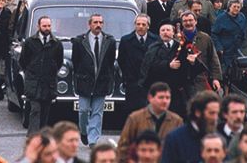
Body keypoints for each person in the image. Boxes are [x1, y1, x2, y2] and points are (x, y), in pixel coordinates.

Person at [71, 14, 116, 147]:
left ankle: (93, 139)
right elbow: (75, 61)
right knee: (83, 110)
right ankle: (84, 131)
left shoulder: (109, 41)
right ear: (89, 24)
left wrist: (108, 78)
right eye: (95, 22)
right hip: (84, 81)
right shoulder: (79, 41)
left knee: (97, 112)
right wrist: (79, 77)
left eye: (101, 22)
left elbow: (110, 61)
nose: (98, 25)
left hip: (101, 81)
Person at [19, 16, 64, 135]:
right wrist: (31, 72)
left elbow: (59, 61)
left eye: (49, 26)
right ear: (38, 26)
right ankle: (33, 136)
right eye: (44, 26)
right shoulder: (29, 42)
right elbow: (23, 61)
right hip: (33, 81)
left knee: (45, 111)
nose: (47, 28)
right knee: (35, 109)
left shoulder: (57, 44)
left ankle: (43, 135)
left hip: (49, 82)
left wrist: (52, 71)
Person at [117, 82, 183, 162]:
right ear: (150, 98)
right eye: (161, 97)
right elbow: (123, 146)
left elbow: (181, 148)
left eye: (168, 98)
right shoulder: (135, 118)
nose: (165, 101)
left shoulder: (177, 121)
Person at [161, 91, 222, 163]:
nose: (215, 118)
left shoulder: (219, 139)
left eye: (217, 113)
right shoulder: (175, 139)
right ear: (198, 112)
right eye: (211, 113)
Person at [118, 14, 156, 113]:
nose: (140, 27)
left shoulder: (155, 40)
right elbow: (121, 60)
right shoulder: (126, 40)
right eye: (138, 24)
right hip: (132, 82)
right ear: (134, 25)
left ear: (148, 26)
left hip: (149, 82)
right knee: (133, 112)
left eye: (143, 24)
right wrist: (127, 76)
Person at [179, 11, 222, 98]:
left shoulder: (205, 38)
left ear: (196, 21)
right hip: (182, 82)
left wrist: (216, 78)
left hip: (201, 80)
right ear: (181, 23)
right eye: (185, 21)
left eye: (190, 20)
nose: (188, 23)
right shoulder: (177, 38)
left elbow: (213, 59)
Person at [211, 0, 247, 74]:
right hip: (225, 50)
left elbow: (243, 33)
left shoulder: (242, 17)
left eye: (238, 7)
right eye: (234, 6)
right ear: (229, 7)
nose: (236, 9)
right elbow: (214, 33)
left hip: (237, 50)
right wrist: (219, 47)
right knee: (223, 72)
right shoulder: (221, 18)